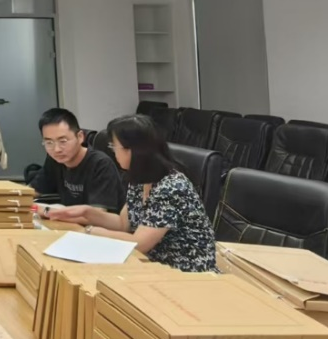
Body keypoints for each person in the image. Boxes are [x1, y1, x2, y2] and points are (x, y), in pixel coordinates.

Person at [47, 114, 217, 273]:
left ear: (134, 150)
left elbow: (139, 244)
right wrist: (87, 212)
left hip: (185, 271)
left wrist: (91, 231)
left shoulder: (171, 187)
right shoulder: (140, 179)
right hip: (150, 263)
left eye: (114, 147)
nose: (113, 152)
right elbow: (123, 224)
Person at [28, 108, 125, 212]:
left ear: (80, 137)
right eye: (49, 143)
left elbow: (97, 214)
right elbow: (32, 191)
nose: (57, 149)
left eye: (63, 141)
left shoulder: (100, 164)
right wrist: (18, 198)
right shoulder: (55, 160)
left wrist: (47, 211)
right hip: (68, 220)